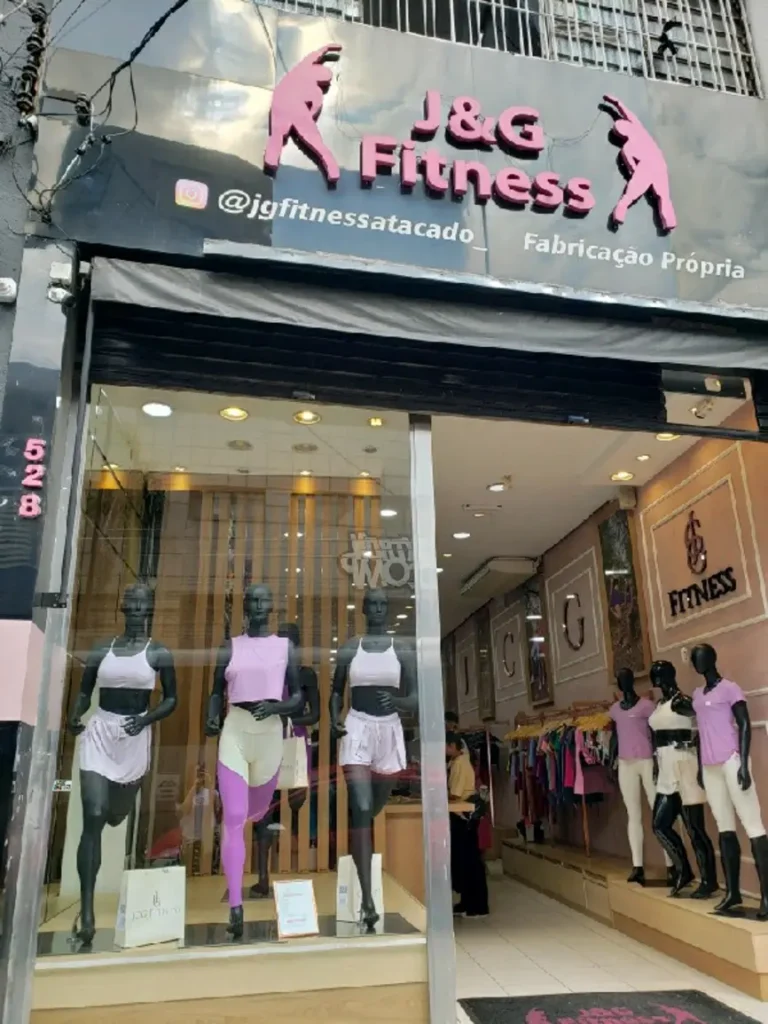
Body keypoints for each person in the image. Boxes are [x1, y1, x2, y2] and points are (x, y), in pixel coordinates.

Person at [603, 94, 677, 232]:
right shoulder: (639, 129)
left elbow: (632, 168)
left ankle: (619, 214)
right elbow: (627, 113)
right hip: (659, 164)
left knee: (630, 195)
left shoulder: (628, 146)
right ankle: (669, 221)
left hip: (647, 168)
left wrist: (616, 103)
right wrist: (616, 103)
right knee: (664, 196)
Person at [447, 731, 489, 918]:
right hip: (461, 814)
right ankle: (466, 902)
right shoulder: (457, 761)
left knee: (470, 861)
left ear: (452, 746)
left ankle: (477, 905)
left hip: (464, 816)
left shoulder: (460, 763)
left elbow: (455, 794)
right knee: (464, 860)